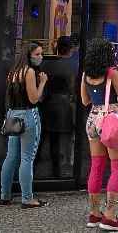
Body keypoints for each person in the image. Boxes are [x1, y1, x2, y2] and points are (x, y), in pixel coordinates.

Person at [81, 38, 118, 231]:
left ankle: (94, 214)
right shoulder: (112, 73)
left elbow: (85, 100)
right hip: (110, 120)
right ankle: (110, 216)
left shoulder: (86, 74)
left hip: (92, 119)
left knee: (96, 166)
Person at [0, 42, 49, 208]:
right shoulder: (29, 72)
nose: (40, 57)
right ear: (28, 55)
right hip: (28, 114)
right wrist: (42, 82)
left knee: (11, 156)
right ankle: (27, 198)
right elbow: (34, 98)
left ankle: (5, 195)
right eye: (37, 54)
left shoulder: (13, 72)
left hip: (12, 114)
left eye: (41, 54)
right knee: (27, 157)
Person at [37, 36, 78, 177]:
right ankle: (57, 172)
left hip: (47, 104)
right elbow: (72, 86)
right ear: (70, 49)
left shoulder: (46, 64)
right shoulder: (71, 65)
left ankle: (35, 169)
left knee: (42, 139)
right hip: (62, 105)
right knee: (58, 140)